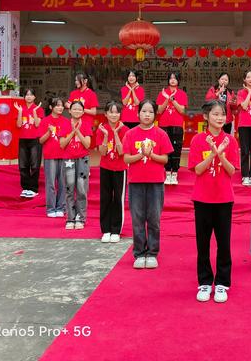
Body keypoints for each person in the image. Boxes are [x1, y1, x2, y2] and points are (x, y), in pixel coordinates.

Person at [188, 100, 239, 303]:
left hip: (224, 199)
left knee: (224, 243)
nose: (220, 118)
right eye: (215, 114)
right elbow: (198, 170)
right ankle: (204, 282)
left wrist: (220, 152)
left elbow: (231, 170)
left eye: (222, 115)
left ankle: (222, 283)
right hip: (202, 198)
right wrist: (213, 153)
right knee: (203, 243)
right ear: (206, 116)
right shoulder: (198, 140)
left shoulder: (231, 141)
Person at [123, 100, 173, 269]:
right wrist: (141, 155)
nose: (147, 115)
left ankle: (152, 253)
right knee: (137, 219)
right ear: (138, 113)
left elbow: (165, 159)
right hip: (136, 183)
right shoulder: (130, 134)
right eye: (144, 111)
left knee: (154, 219)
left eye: (150, 112)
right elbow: (126, 159)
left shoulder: (161, 134)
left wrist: (150, 155)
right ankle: (139, 252)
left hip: (155, 183)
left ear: (154, 115)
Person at [96, 101, 129, 243]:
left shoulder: (125, 130)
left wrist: (115, 133)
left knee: (118, 199)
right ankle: (106, 230)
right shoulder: (101, 129)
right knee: (105, 198)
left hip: (120, 169)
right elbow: (102, 152)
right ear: (106, 114)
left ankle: (116, 229)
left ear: (120, 114)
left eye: (116, 112)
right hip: (105, 167)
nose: (114, 115)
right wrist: (105, 136)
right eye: (111, 112)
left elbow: (122, 151)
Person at [60, 101, 92, 230]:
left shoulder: (87, 125)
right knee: (69, 189)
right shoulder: (64, 124)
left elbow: (87, 145)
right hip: (68, 160)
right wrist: (72, 132)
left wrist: (78, 131)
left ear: (83, 112)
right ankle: (70, 218)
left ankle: (80, 218)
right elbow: (62, 144)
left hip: (82, 160)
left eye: (80, 109)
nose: (77, 111)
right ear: (70, 111)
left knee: (81, 190)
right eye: (75, 109)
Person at [156, 72, 188, 185]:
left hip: (177, 125)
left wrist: (173, 99)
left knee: (176, 149)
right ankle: (167, 173)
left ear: (178, 80)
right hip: (164, 125)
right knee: (165, 149)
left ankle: (174, 173)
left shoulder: (182, 94)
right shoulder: (162, 93)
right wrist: (166, 99)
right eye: (171, 78)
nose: (173, 80)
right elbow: (159, 110)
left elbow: (182, 110)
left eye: (175, 78)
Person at [38, 98, 68, 217]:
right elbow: (41, 140)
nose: (60, 108)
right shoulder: (45, 121)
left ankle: (61, 207)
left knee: (62, 183)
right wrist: (49, 133)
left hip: (64, 155)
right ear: (51, 107)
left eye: (61, 106)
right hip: (50, 156)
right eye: (57, 106)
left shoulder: (66, 121)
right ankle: (51, 209)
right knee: (50, 183)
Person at [14, 88, 44, 198]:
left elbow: (37, 124)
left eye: (31, 94)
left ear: (35, 97)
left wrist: (35, 112)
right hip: (23, 139)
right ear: (24, 97)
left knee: (35, 165)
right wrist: (20, 112)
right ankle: (25, 188)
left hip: (35, 139)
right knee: (23, 165)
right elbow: (18, 125)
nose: (29, 96)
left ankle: (33, 188)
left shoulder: (39, 109)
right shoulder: (20, 108)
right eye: (26, 95)